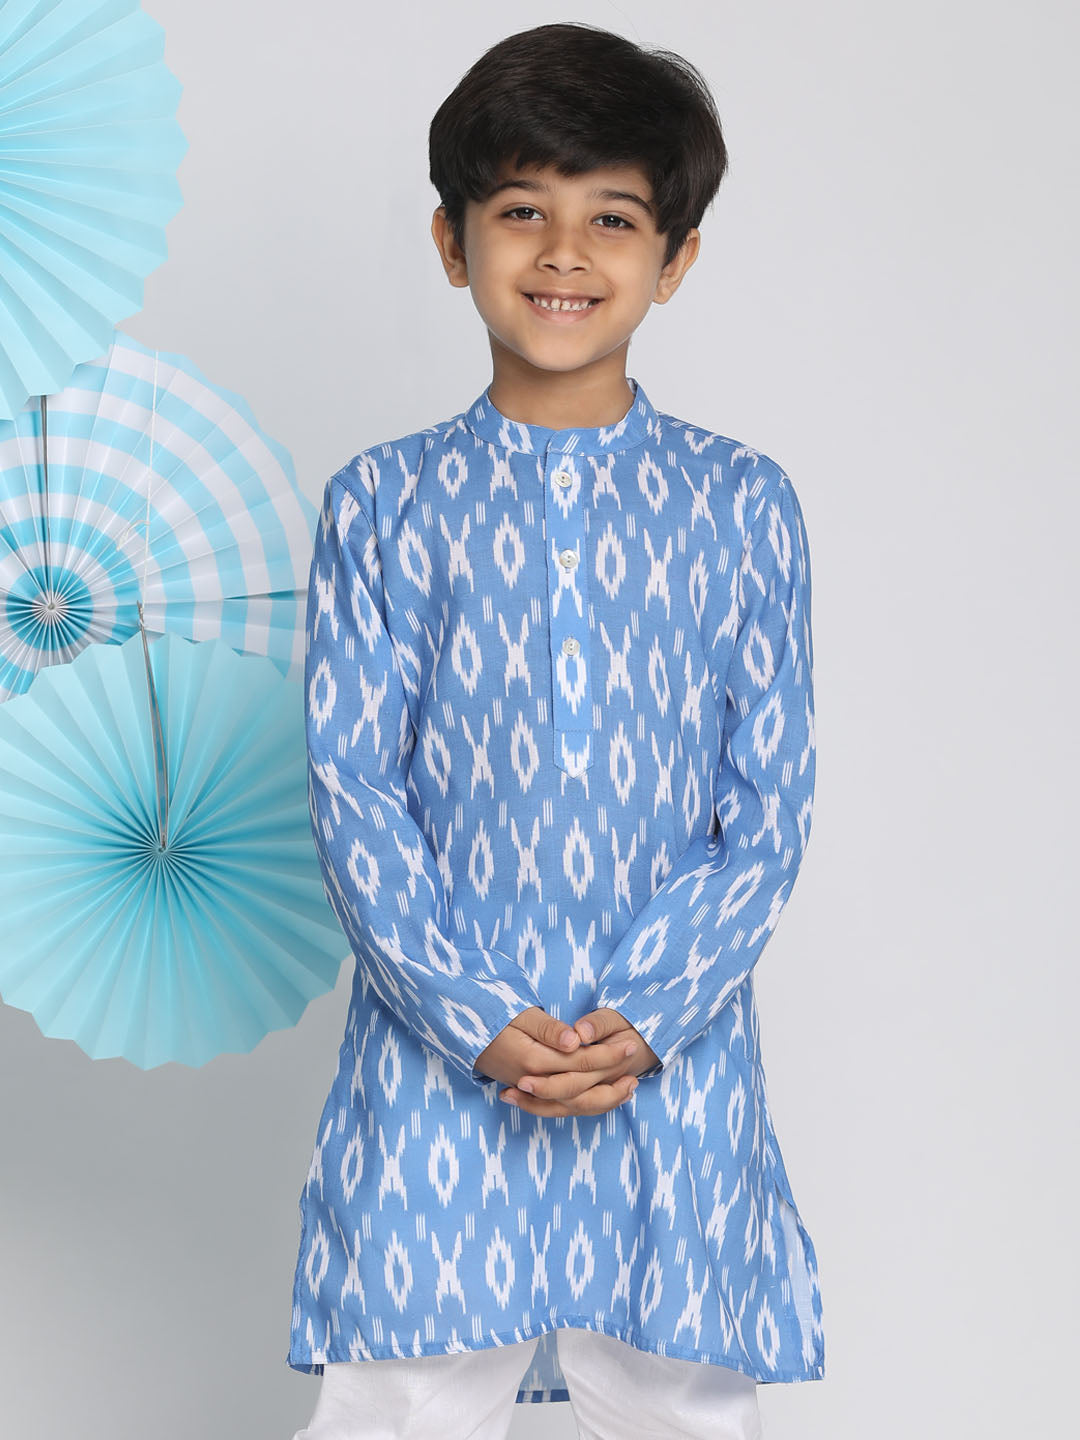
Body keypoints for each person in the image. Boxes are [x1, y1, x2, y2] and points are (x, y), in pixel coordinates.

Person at [287, 20, 824, 1440]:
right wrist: (474, 1021)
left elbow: (767, 809)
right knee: (396, 1404)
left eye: (614, 219)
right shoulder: (384, 505)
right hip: (437, 1064)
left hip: (671, 1067)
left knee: (681, 1407)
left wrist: (645, 1018)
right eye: (522, 210)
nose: (565, 254)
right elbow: (354, 794)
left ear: (677, 258)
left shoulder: (740, 505)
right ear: (453, 242)